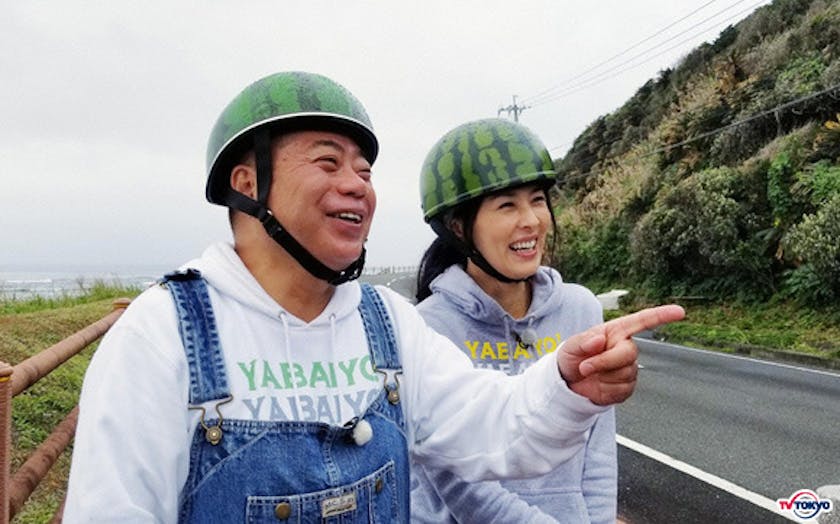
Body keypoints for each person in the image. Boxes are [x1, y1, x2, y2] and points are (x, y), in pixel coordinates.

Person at [63, 71, 684, 523]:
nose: (355, 185)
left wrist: (566, 385)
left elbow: (497, 430)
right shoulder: (162, 336)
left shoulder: (383, 322)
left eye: (363, 171)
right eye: (328, 162)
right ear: (247, 183)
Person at [412, 118, 617, 523]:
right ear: (458, 227)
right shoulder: (427, 328)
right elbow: (456, 483)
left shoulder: (580, 309)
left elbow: (598, 450)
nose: (532, 220)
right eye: (507, 205)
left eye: (537, 199)